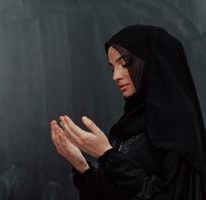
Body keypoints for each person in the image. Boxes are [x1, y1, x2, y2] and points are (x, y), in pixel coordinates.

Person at [50, 24, 206, 200]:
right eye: (112, 68)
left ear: (152, 64)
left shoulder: (178, 127)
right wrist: (82, 167)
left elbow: (166, 194)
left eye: (124, 64)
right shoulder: (124, 128)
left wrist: (108, 156)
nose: (115, 76)